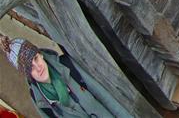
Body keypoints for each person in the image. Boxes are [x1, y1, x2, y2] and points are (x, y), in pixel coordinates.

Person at [1, 36, 129, 117]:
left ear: (40, 54)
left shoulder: (68, 66)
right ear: (28, 75)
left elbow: (105, 97)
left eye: (36, 58)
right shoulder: (40, 102)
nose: (38, 67)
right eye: (31, 68)